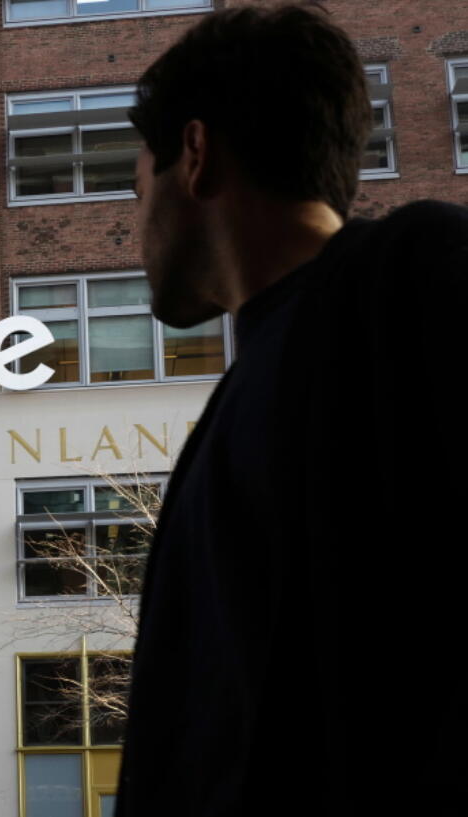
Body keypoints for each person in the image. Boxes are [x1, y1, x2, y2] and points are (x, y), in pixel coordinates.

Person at [118, 5, 468, 815]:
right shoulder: (258, 381)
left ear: (196, 156)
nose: (134, 227)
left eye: (138, 190)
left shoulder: (413, 272)